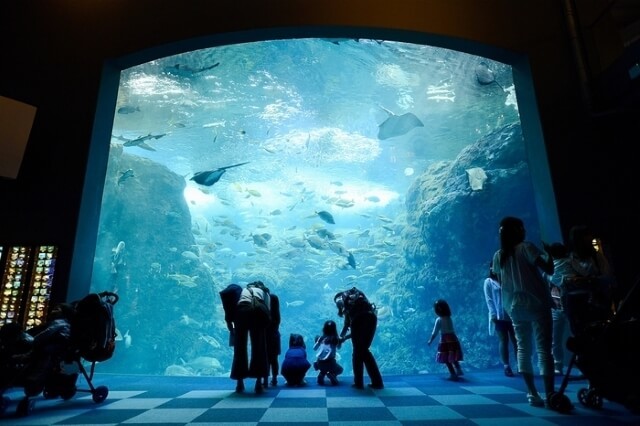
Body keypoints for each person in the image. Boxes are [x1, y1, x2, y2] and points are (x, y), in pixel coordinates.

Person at [492, 216, 557, 408]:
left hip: (514, 306)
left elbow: (498, 277)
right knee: (544, 349)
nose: (524, 231)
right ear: (517, 231)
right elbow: (549, 269)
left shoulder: (498, 255)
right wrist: (550, 254)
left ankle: (532, 393)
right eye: (521, 228)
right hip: (536, 302)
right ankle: (551, 394)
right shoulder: (527, 247)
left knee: (523, 348)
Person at [334, 287, 384, 389]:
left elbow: (353, 327)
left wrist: (341, 338)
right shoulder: (359, 303)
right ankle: (377, 382)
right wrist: (342, 338)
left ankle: (359, 383)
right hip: (372, 318)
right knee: (364, 351)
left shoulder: (348, 308)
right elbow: (348, 327)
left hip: (359, 320)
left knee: (358, 352)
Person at [543, 242, 579, 376]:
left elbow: (546, 285)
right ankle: (562, 363)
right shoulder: (569, 264)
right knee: (564, 336)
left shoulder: (567, 264)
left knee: (556, 338)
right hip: (561, 306)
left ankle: (559, 364)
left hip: (564, 305)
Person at [229, 281, 270, 394]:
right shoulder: (264, 292)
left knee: (240, 348)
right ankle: (258, 383)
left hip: (241, 312)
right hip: (257, 313)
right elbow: (267, 311)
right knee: (259, 347)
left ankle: (239, 383)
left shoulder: (244, 291)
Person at [567, 225, 616, 313]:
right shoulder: (569, 260)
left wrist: (591, 280)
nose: (590, 239)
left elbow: (609, 278)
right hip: (581, 309)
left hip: (601, 305)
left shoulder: (596, 256)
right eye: (586, 236)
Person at [483, 263, 517, 377]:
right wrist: (493, 315)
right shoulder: (489, 282)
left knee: (516, 340)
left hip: (512, 314)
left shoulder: (508, 280)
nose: (493, 269)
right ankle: (506, 366)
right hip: (499, 316)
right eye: (491, 267)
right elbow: (489, 300)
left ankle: (521, 364)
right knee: (504, 340)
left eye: (495, 266)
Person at [427, 299, 464, 381]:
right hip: (453, 339)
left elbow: (435, 332)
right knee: (453, 356)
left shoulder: (439, 320)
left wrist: (430, 340)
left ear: (438, 310)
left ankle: (453, 374)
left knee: (446, 358)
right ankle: (459, 369)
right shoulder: (449, 318)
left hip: (445, 340)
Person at [312, 320, 344, 386]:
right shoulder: (335, 339)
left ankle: (321, 374)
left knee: (323, 369)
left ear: (324, 329)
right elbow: (339, 348)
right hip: (330, 363)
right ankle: (332, 374)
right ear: (335, 329)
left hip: (320, 362)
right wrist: (340, 341)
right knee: (340, 370)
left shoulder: (321, 338)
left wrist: (318, 342)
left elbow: (314, 348)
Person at [263, 290, 281, 387]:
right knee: (274, 359)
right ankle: (274, 379)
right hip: (274, 335)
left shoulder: (264, 309)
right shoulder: (276, 315)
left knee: (265, 358)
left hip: (265, 336)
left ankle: (265, 379)